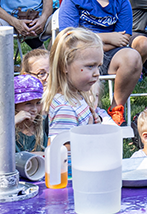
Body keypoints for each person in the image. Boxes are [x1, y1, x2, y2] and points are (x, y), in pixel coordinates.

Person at [56, 0, 144, 124]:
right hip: (77, 55)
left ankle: (116, 108)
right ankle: (88, 116)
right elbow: (69, 37)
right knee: (90, 81)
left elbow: (123, 39)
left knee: (133, 57)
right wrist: (107, 37)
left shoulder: (121, 0)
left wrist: (97, 42)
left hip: (109, 54)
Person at [44, 29, 115, 163]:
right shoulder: (65, 108)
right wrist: (90, 135)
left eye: (98, 66)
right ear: (65, 66)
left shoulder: (76, 97)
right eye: (90, 66)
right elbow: (62, 154)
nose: (97, 73)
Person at [12, 74, 46, 153]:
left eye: (38, 103)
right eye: (28, 103)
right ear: (14, 105)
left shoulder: (42, 124)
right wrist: (12, 122)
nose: (34, 109)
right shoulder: (8, 127)